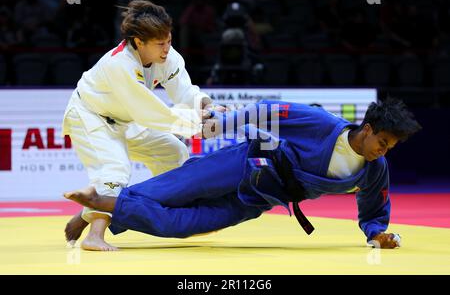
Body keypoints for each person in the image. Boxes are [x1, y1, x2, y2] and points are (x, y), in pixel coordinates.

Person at [64, 98, 421, 249]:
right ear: (369, 127)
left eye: (391, 147)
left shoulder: (375, 170)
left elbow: (374, 210)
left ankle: (101, 205)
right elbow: (265, 111)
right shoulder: (320, 123)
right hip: (243, 162)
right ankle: (95, 207)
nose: (383, 150)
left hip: (257, 198)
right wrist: (220, 126)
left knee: (183, 227)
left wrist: (377, 234)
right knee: (168, 192)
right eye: (384, 141)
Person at [62, 0, 222, 251]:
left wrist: (206, 107)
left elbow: (185, 92)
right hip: (91, 116)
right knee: (115, 168)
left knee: (174, 152)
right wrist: (195, 126)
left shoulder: (168, 57)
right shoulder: (119, 64)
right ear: (139, 42)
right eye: (160, 43)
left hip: (127, 118)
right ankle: (94, 236)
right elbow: (148, 112)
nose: (167, 48)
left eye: (169, 40)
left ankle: (184, 215)